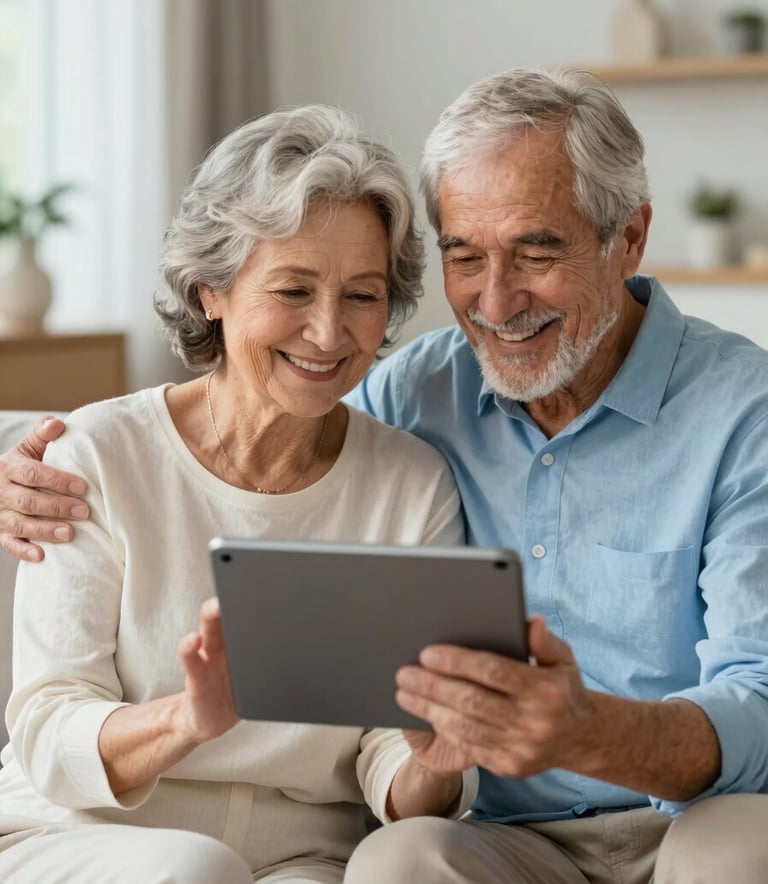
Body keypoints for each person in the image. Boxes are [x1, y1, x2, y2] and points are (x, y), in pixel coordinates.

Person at [2, 68, 768, 883]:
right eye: (466, 256)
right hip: (491, 833)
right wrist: (21, 460)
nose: (498, 302)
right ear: (210, 290)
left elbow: (757, 697)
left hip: (685, 809)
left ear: (630, 238)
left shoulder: (738, 413)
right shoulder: (421, 393)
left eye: (537, 251)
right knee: (395, 863)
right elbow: (275, 406)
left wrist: (584, 732)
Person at [0, 104, 479, 883]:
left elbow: (389, 746)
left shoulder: (409, 484)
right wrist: (187, 720)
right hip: (74, 836)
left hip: (300, 857)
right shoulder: (96, 457)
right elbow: (50, 729)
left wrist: (438, 763)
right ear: (209, 291)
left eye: (361, 295)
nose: (328, 333)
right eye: (294, 290)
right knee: (194, 870)